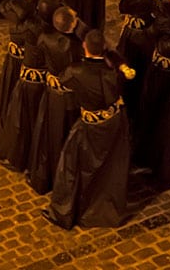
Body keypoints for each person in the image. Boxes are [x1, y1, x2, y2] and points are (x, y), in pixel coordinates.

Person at [46, 30, 130, 228]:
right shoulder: (114, 70)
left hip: (90, 126)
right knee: (112, 166)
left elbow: (62, 81)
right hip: (114, 121)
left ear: (85, 46)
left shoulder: (77, 71)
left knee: (72, 165)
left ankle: (65, 210)